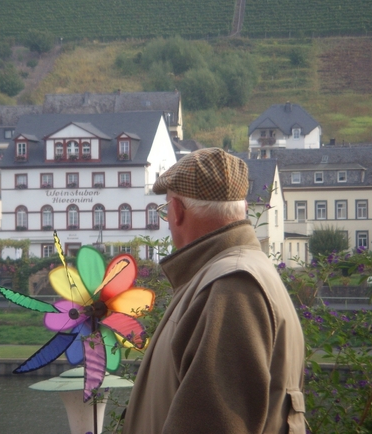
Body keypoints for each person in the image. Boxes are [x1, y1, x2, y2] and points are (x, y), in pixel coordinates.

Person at [122, 148, 305, 434]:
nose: (167, 221)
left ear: (178, 211)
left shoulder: (231, 287)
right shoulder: (233, 274)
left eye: (165, 211)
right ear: (242, 208)